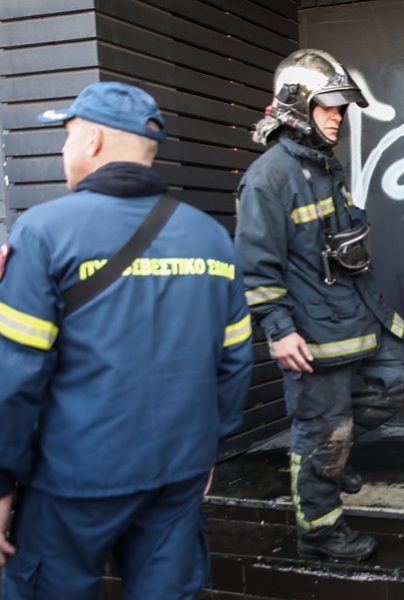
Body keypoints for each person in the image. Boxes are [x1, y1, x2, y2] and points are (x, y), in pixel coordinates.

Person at [0, 82, 253, 599]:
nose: (64, 151)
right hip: (178, 475)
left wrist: (2, 481)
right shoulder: (210, 237)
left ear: (92, 139)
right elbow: (234, 361)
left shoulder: (43, 232)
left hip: (73, 480)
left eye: (67, 137)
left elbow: (15, 374)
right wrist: (207, 453)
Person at [234, 49, 404, 562]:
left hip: (354, 319)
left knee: (399, 376)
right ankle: (319, 532)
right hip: (312, 337)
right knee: (323, 430)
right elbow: (256, 263)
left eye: (342, 107)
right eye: (329, 107)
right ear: (297, 107)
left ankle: (331, 458)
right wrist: (278, 328)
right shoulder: (269, 178)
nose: (339, 115)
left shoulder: (324, 168)